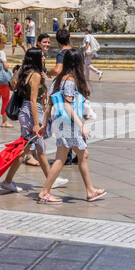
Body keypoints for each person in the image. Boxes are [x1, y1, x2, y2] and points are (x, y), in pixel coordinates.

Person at [38, 48, 105, 203]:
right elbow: (68, 106)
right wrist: (81, 126)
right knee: (65, 158)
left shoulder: (59, 79)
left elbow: (50, 102)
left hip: (61, 123)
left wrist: (44, 123)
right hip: (68, 124)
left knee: (75, 156)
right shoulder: (70, 81)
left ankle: (90, 190)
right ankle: (45, 192)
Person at [0, 47, 68, 192]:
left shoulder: (27, 72)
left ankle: (50, 178)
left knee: (38, 148)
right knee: (26, 149)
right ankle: (8, 180)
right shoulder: (35, 75)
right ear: (37, 58)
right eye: (42, 55)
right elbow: (32, 100)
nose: (45, 57)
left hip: (26, 111)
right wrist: (37, 124)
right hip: (31, 112)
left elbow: (15, 85)